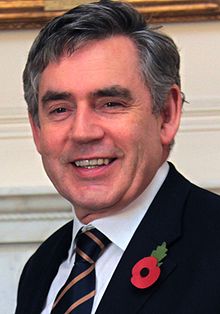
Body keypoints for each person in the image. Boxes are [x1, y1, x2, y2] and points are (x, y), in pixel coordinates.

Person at [15, 1, 220, 313]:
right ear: (37, 129)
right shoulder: (41, 268)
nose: (82, 132)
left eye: (111, 103)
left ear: (166, 114)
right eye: (60, 109)